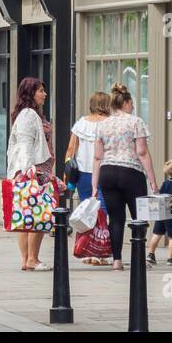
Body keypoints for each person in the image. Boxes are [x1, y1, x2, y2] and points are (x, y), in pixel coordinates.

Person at [89, 83, 157, 272]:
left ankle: (117, 260)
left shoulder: (102, 125)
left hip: (107, 172)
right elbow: (142, 153)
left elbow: (97, 157)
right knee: (139, 218)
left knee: (116, 218)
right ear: (126, 102)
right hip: (131, 173)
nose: (133, 107)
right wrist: (152, 180)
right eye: (132, 103)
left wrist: (94, 186)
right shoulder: (136, 122)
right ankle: (139, 258)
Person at [5, 76, 55, 272]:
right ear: (30, 94)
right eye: (41, 91)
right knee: (38, 213)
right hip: (35, 170)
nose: (45, 94)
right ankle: (32, 259)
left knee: (27, 214)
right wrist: (29, 170)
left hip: (34, 169)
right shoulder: (28, 114)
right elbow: (25, 144)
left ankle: (27, 259)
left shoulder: (30, 113)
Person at [65, 91, 112, 265]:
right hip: (104, 171)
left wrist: (68, 175)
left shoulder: (81, 124)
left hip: (83, 173)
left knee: (86, 212)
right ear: (106, 105)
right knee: (102, 211)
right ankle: (98, 252)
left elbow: (70, 150)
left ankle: (87, 252)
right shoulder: (109, 124)